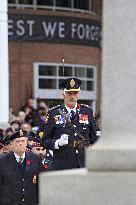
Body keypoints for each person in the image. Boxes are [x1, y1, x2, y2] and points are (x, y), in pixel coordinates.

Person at [40, 78, 99, 170]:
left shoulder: (87, 111)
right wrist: (57, 143)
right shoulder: (54, 113)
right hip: (62, 164)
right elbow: (45, 141)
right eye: (69, 93)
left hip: (83, 163)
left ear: (78, 94)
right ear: (63, 93)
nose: (72, 96)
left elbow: (94, 139)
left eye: (75, 93)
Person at [0, 129, 43, 205]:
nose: (20, 144)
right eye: (17, 141)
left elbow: (40, 183)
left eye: (22, 141)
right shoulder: (2, 161)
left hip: (31, 202)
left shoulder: (36, 159)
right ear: (12, 144)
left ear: (26, 143)